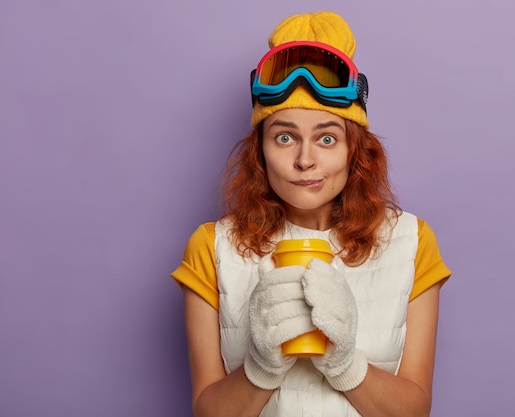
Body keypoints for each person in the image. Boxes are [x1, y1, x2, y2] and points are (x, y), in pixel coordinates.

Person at [171, 11, 452, 417]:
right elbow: (208, 411)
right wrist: (262, 368)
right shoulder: (211, 248)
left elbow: (414, 411)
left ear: (355, 150)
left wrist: (344, 364)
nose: (305, 160)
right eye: (284, 137)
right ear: (260, 151)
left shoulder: (411, 241)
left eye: (326, 138)